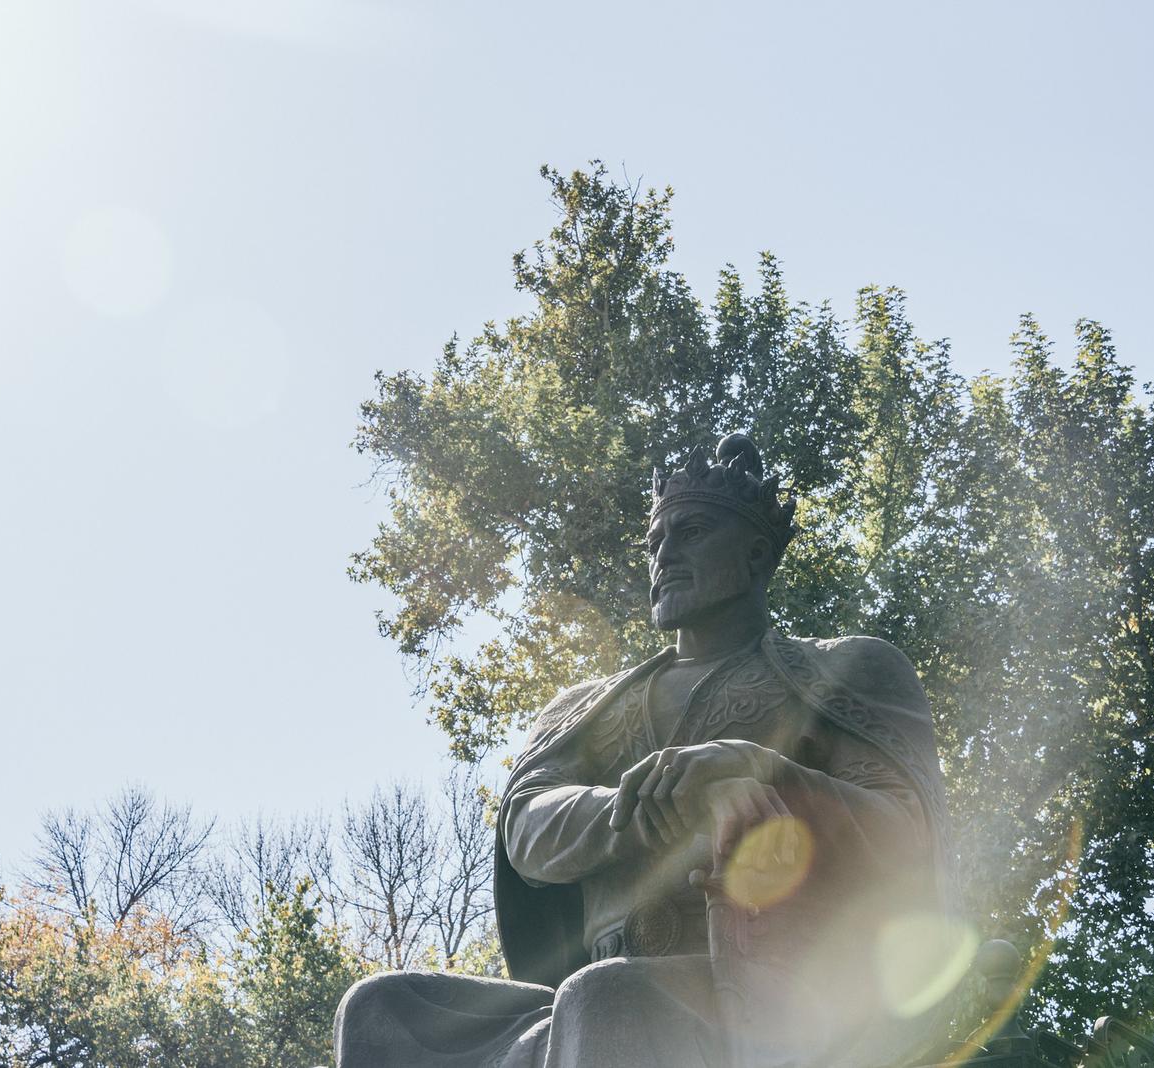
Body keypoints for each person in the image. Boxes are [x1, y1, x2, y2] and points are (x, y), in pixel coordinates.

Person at [334, 433, 959, 1068]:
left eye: (691, 534)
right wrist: (641, 806)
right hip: (595, 1001)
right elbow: (526, 826)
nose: (665, 556)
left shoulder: (847, 669)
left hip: (786, 996)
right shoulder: (585, 708)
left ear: (756, 553)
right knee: (384, 1010)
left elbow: (906, 832)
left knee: (607, 996)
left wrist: (759, 768)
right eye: (656, 542)